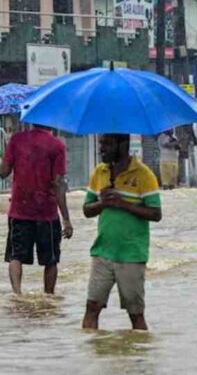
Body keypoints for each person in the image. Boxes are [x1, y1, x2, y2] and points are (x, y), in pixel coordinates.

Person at [82, 134, 162, 331]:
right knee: (92, 307)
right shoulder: (100, 172)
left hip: (131, 255)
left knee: (135, 314)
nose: (102, 148)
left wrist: (123, 204)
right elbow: (86, 209)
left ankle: (138, 358)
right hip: (102, 252)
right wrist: (103, 203)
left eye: (107, 144)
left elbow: (156, 213)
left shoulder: (144, 175)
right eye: (101, 144)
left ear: (123, 145)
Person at [1, 125, 72, 295]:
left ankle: (17, 296)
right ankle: (49, 298)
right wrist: (66, 219)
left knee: (15, 256)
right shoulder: (57, 145)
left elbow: (3, 172)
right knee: (51, 260)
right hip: (47, 213)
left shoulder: (16, 140)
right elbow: (58, 184)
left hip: (19, 210)